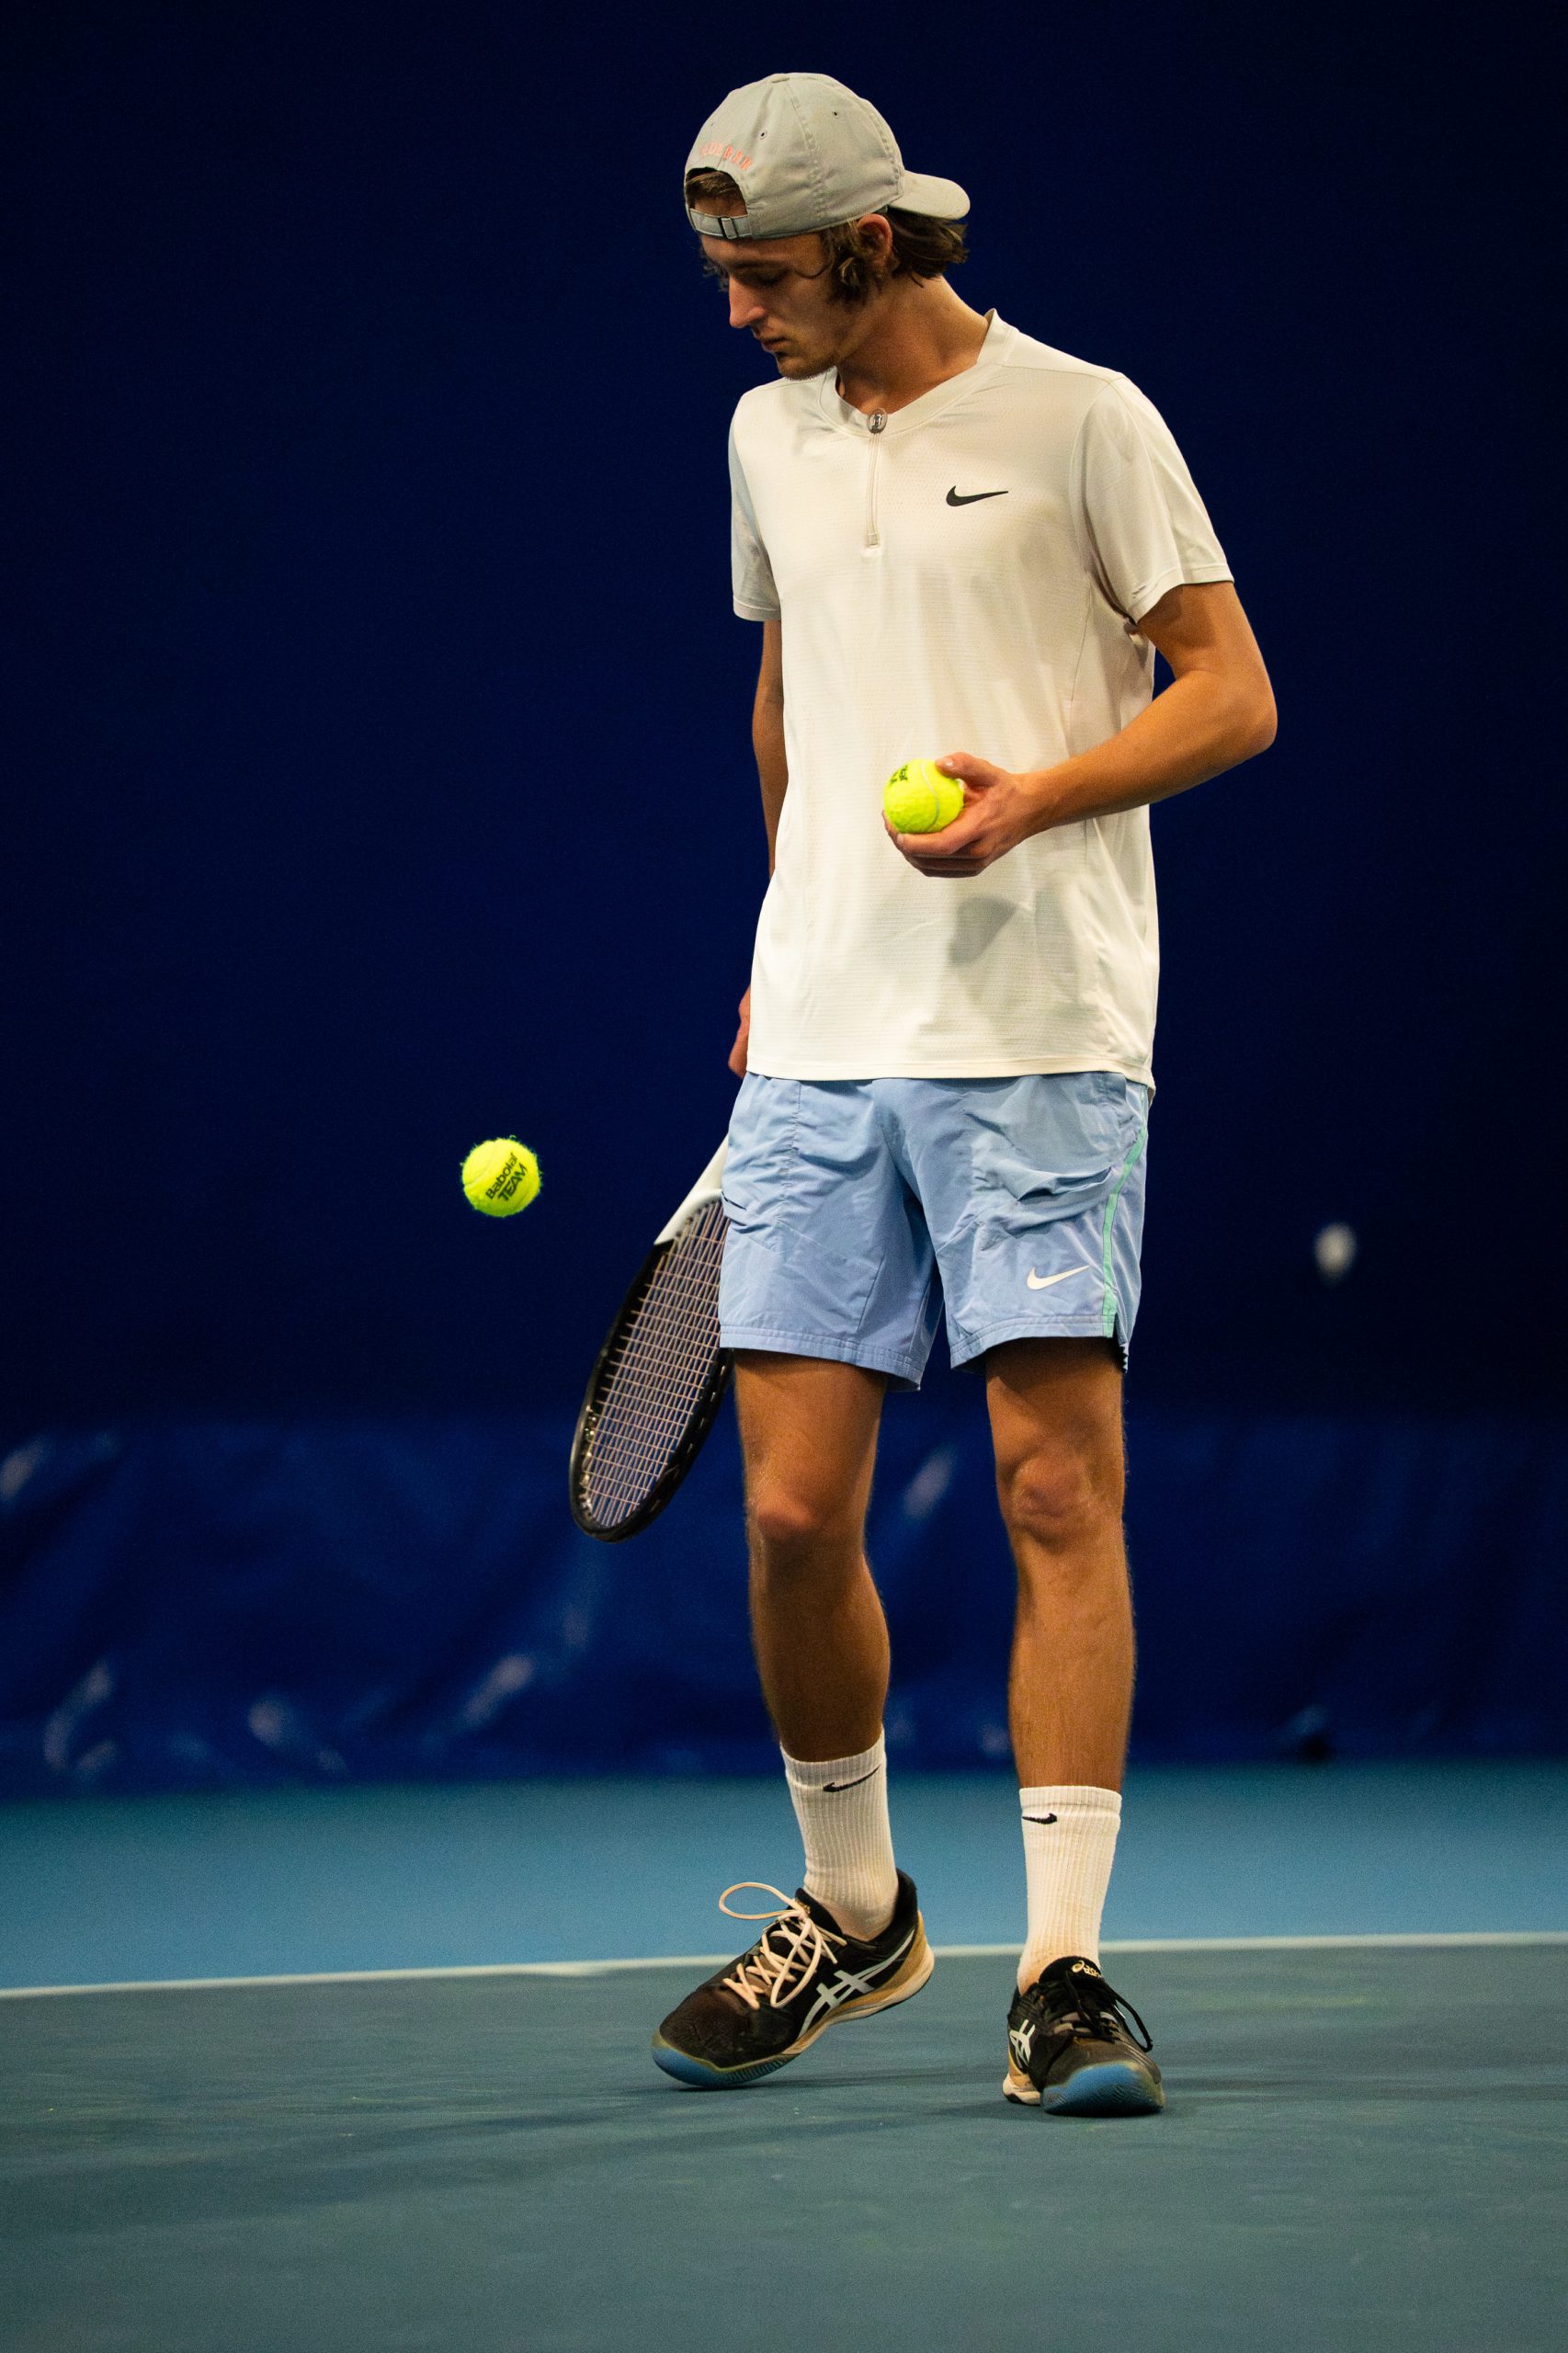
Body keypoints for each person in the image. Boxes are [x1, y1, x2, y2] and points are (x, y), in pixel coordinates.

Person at [652, 72, 1276, 2116]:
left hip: (1039, 1033)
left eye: (762, 274)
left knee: (1051, 1490)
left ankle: (1064, 1970)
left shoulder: (1085, 418)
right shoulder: (763, 434)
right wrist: (781, 944)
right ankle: (855, 1908)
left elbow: (1231, 691)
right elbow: (785, 707)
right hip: (822, 1037)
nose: (734, 311)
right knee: (785, 1510)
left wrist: (1036, 801)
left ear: (866, 244)